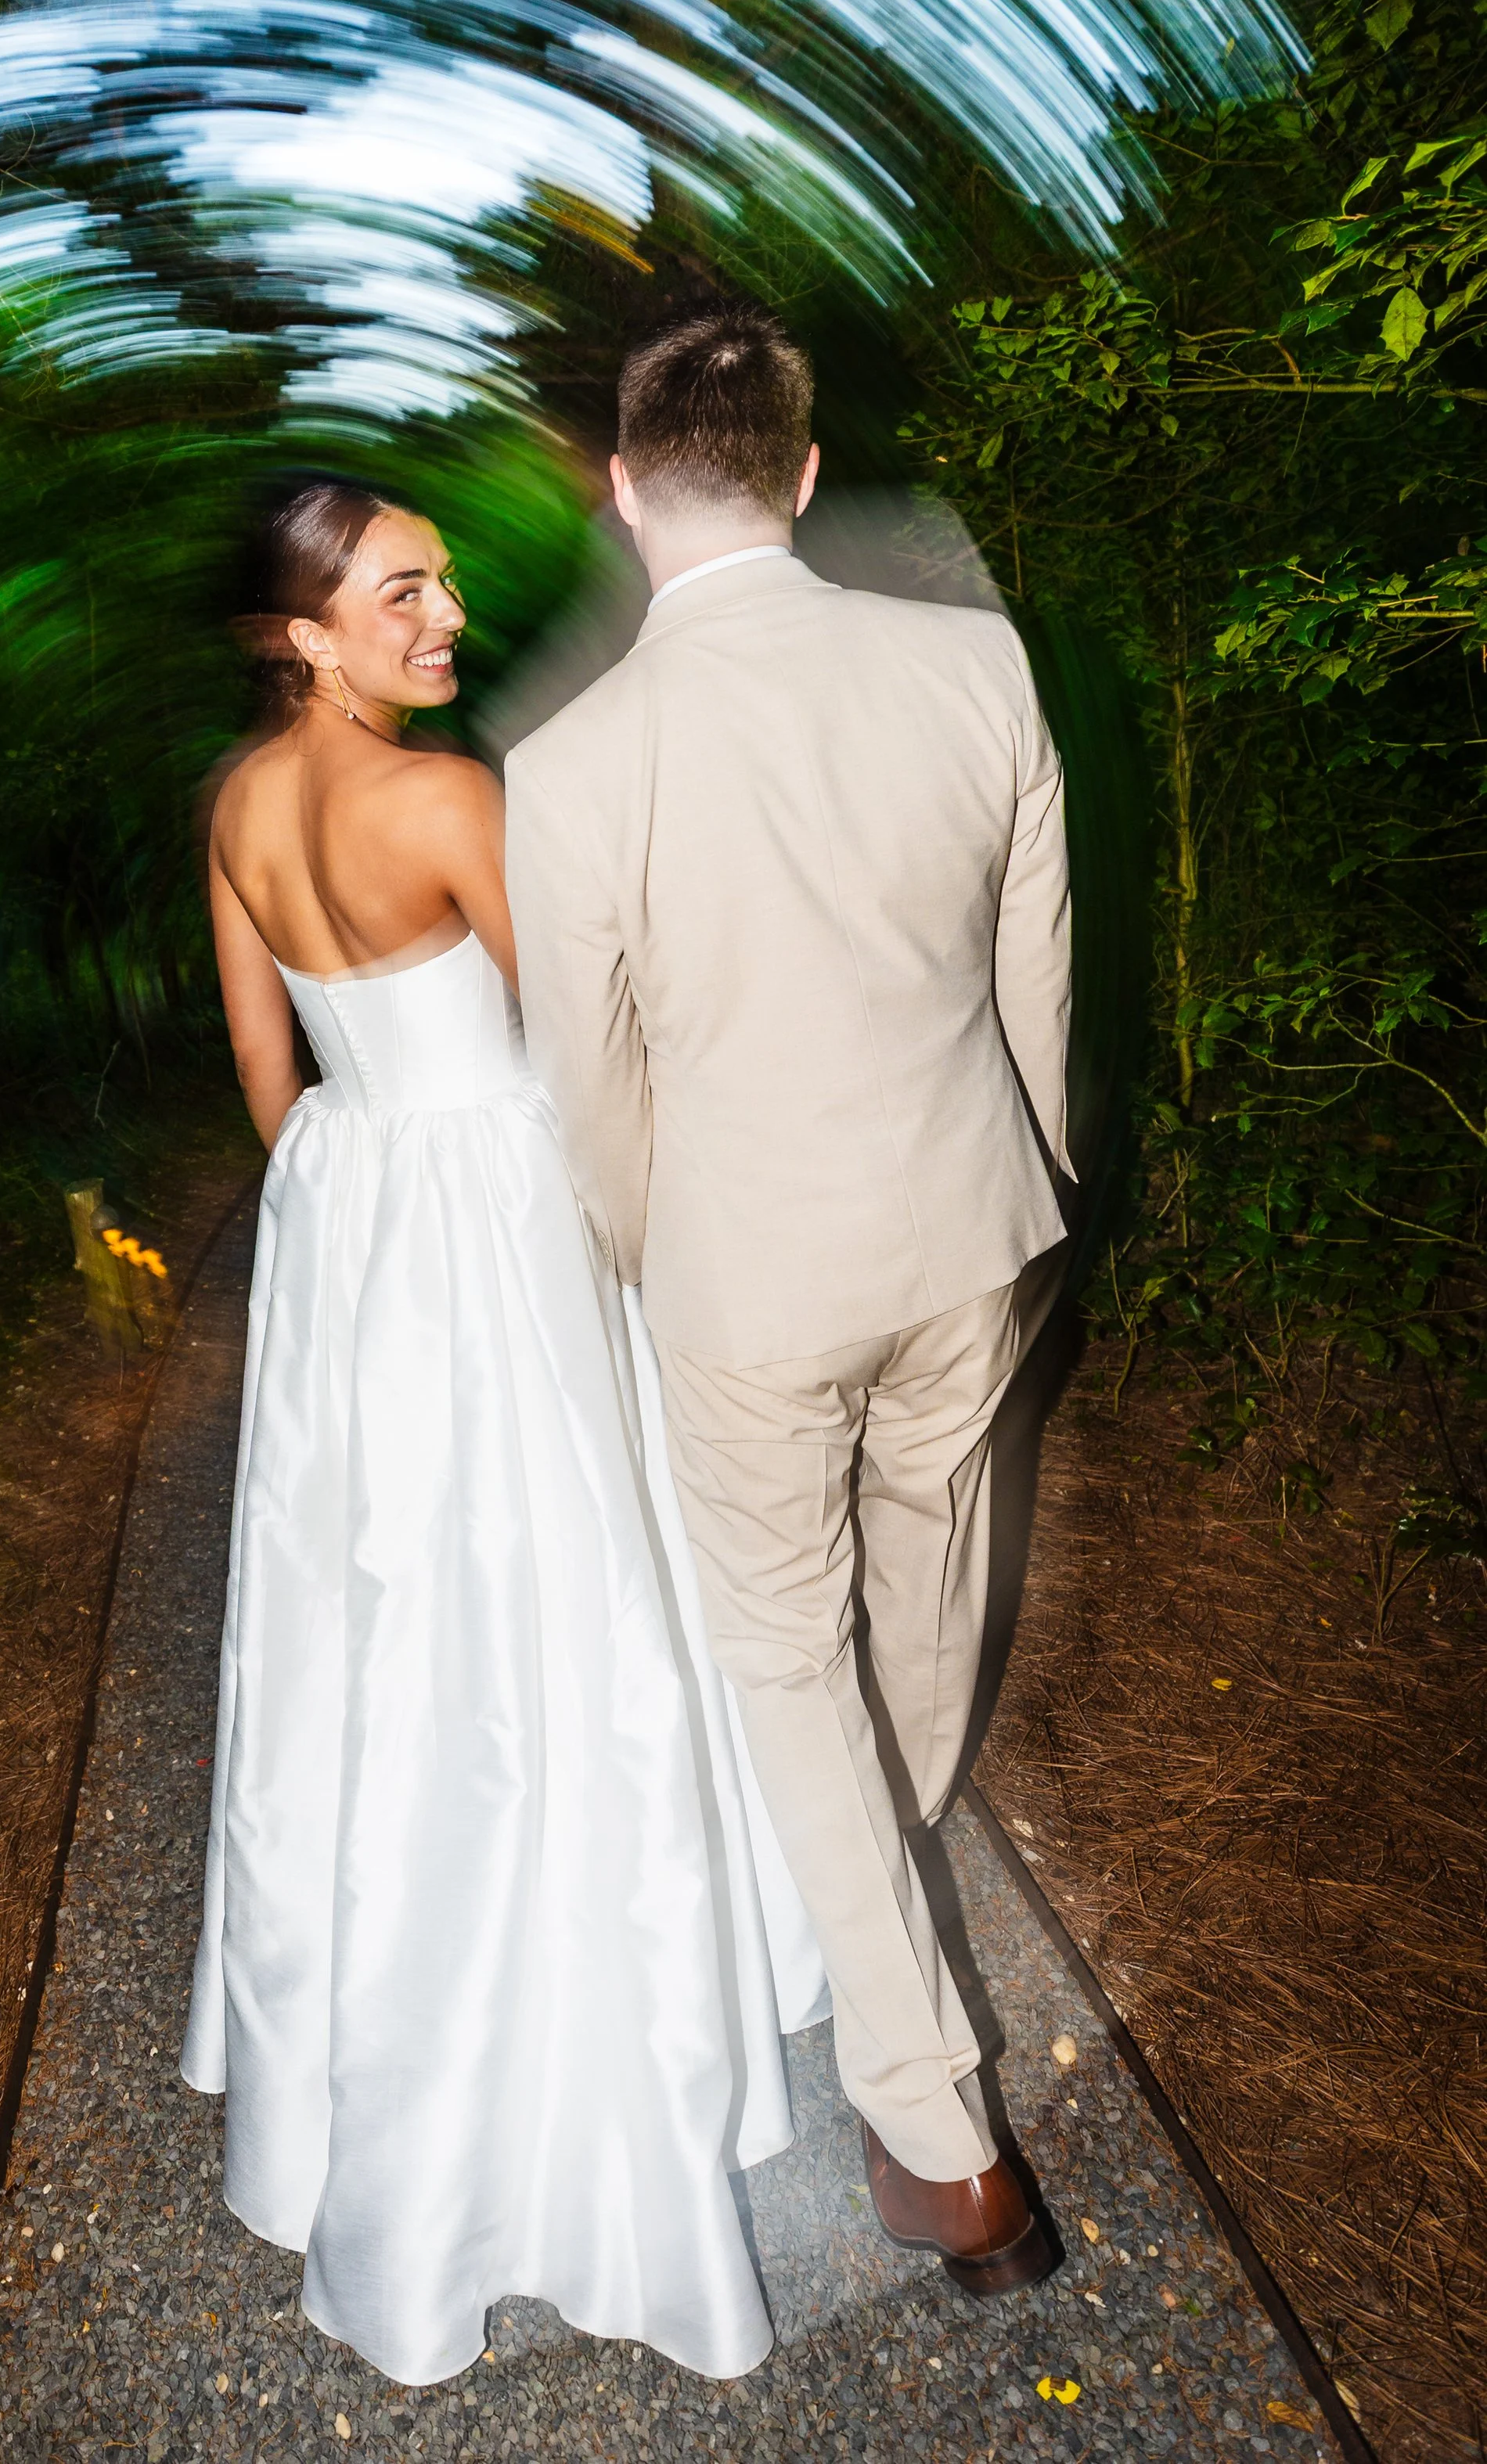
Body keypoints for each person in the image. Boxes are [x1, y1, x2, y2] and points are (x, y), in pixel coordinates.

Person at [179, 480, 828, 2389]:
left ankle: (373, 2034)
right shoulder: (446, 800)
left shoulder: (233, 808)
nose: (441, 613)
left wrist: (353, 1206)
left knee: (373, 1622)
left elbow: (260, 1067)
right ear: (306, 631)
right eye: (401, 592)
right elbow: (597, 1041)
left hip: (356, 1215)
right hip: (507, 1215)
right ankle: (599, 2027)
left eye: (441, 581)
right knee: (567, 1584)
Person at [505, 304, 1070, 2295]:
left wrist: (655, 1249)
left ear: (620, 489)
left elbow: (589, 1077)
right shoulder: (973, 662)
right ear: (805, 476)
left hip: (749, 1269)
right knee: (922, 1577)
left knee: (781, 1653)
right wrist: (1040, 1172)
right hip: (968, 1227)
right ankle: (880, 1879)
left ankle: (936, 2132)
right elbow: (1034, 967)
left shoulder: (571, 765)